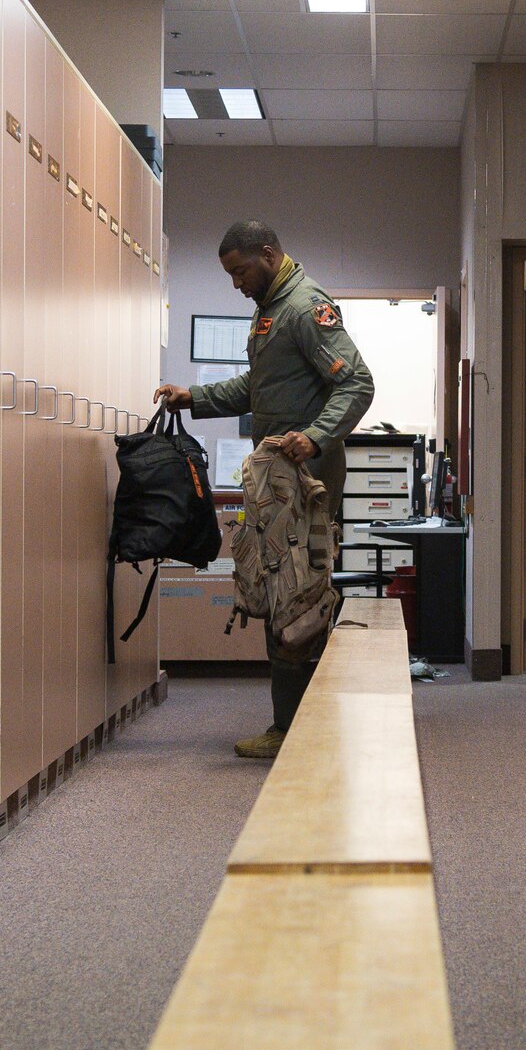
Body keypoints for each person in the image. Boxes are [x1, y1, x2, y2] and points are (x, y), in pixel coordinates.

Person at [155, 220, 374, 759]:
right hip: (279, 481)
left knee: (294, 597)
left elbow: (357, 383)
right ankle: (302, 725)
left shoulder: (303, 308)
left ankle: (294, 731)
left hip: (304, 480)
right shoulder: (272, 308)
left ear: (269, 254)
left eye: (240, 271)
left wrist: (315, 436)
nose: (235, 283)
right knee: (283, 590)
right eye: (230, 274)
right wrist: (194, 398)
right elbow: (258, 389)